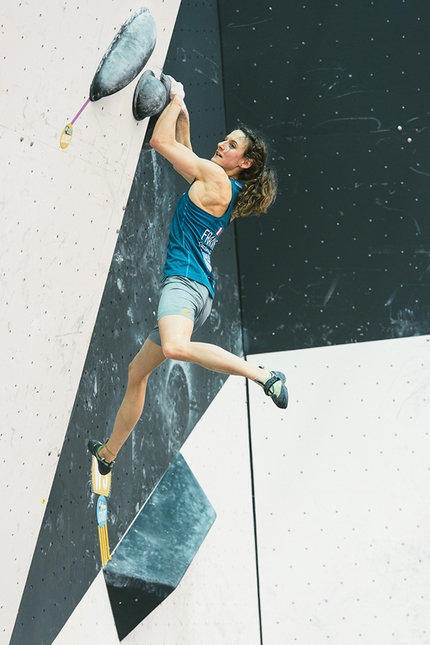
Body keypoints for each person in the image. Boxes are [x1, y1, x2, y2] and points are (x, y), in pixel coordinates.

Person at [88, 76, 288, 475]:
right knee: (136, 373)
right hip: (198, 295)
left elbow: (161, 145)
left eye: (232, 145)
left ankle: (263, 375)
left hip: (183, 286)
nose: (222, 145)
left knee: (176, 348)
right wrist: (182, 114)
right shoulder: (219, 186)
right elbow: (183, 148)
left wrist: (175, 99)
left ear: (244, 163)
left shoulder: (214, 180)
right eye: (225, 139)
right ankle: (108, 455)